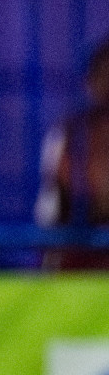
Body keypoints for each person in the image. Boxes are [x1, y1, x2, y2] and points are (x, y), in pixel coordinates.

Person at [37, 34, 109, 269]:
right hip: (78, 247)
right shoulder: (70, 130)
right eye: (102, 74)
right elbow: (59, 183)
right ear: (89, 81)